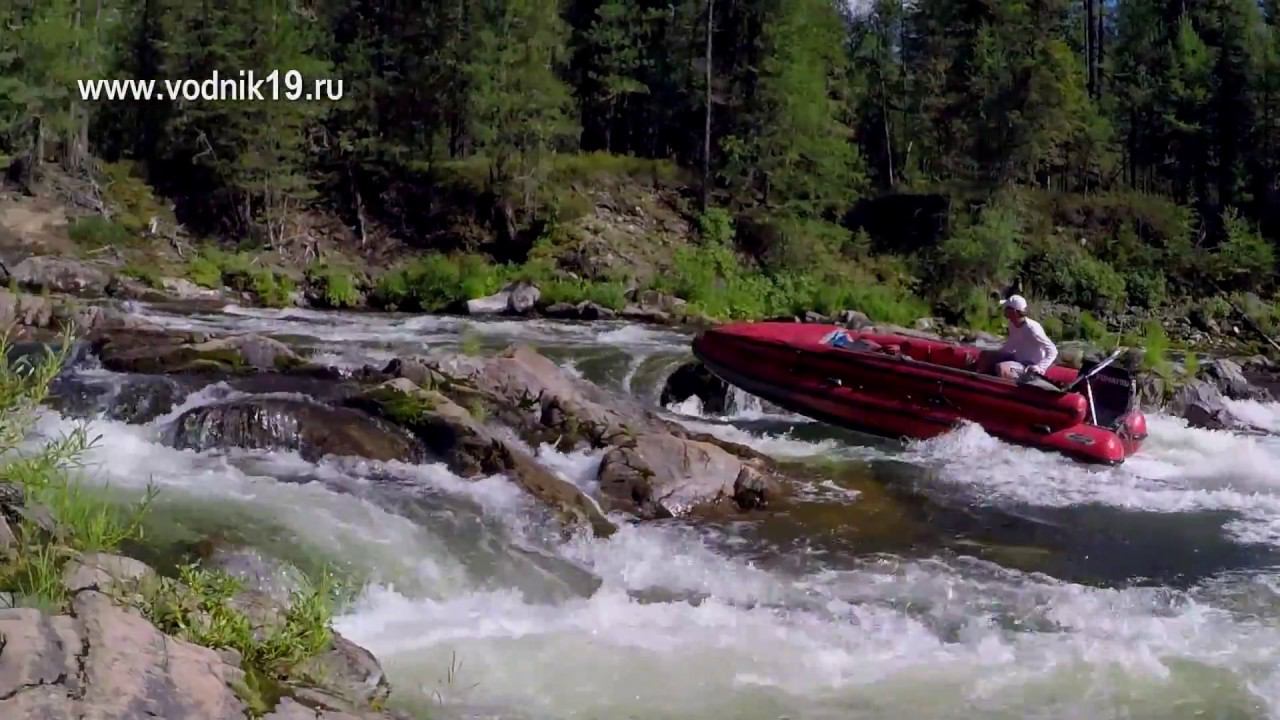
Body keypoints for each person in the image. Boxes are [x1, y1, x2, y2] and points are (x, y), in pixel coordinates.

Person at [988, 294, 1058, 383]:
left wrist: (1040, 367)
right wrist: (997, 354)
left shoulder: (1033, 329)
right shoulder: (1012, 324)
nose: (1004, 311)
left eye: (1006, 309)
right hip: (1017, 359)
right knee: (986, 355)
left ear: (1014, 312)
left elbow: (1053, 350)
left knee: (1001, 368)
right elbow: (1011, 345)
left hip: (1029, 365)